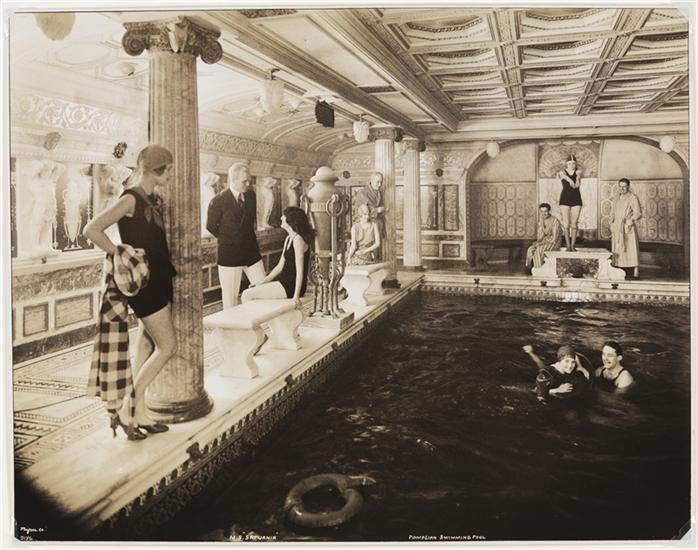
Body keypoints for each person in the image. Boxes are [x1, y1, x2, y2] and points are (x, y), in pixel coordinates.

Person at [84, 144, 177, 440]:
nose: (171, 174)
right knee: (168, 347)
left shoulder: (151, 198)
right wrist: (121, 253)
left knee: (147, 346)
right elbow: (92, 229)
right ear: (155, 170)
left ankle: (141, 414)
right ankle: (127, 410)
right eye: (168, 169)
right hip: (145, 284)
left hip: (158, 279)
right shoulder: (130, 198)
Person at [206, 162, 265, 309]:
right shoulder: (218, 200)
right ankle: (231, 325)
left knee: (264, 290)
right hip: (230, 254)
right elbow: (211, 226)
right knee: (230, 300)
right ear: (233, 180)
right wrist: (230, 239)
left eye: (249, 181)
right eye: (244, 181)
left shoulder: (251, 195)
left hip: (251, 252)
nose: (248, 184)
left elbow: (250, 221)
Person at [241, 206, 313, 310]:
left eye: (284, 216)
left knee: (247, 295)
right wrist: (260, 283)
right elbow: (279, 267)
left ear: (291, 220)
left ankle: (256, 319)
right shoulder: (289, 238)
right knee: (249, 294)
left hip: (291, 287)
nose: (281, 218)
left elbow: (300, 271)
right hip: (283, 282)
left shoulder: (298, 240)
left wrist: (296, 296)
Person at [523, 344, 591, 401]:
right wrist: (557, 390)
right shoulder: (546, 375)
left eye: (573, 362)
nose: (570, 365)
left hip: (555, 374)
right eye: (567, 361)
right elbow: (539, 394)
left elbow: (575, 354)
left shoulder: (568, 367)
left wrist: (580, 367)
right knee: (542, 368)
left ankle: (530, 352)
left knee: (542, 366)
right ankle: (530, 353)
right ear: (559, 361)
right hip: (540, 387)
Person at [610, 178, 643, 280]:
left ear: (628, 187)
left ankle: (635, 270)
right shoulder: (616, 198)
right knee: (618, 248)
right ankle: (618, 268)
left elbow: (638, 213)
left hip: (627, 226)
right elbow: (612, 212)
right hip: (617, 226)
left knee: (631, 247)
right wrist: (611, 222)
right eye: (620, 186)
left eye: (624, 186)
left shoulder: (632, 197)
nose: (622, 189)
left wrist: (631, 220)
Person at [355, 171, 385, 258]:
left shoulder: (380, 193)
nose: (379, 184)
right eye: (377, 182)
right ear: (371, 180)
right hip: (366, 226)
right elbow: (360, 211)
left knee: (377, 250)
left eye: (381, 182)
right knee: (368, 251)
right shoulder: (362, 193)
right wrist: (377, 210)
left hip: (378, 225)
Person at [525, 203, 562, 272]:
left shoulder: (555, 221)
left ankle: (538, 270)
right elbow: (540, 236)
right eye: (542, 212)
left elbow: (554, 239)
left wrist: (540, 244)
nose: (543, 214)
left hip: (554, 242)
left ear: (549, 211)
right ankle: (529, 268)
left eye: (545, 211)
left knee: (539, 250)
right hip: (544, 241)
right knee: (530, 249)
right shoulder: (541, 220)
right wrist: (538, 242)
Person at [557, 154, 583, 252]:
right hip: (565, 199)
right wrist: (570, 180)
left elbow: (577, 185)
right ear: (566, 164)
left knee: (574, 224)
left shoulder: (578, 172)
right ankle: (568, 246)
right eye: (570, 163)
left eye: (573, 163)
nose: (572, 165)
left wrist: (577, 178)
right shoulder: (562, 172)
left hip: (576, 199)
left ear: (575, 164)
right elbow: (564, 177)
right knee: (566, 225)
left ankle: (572, 245)